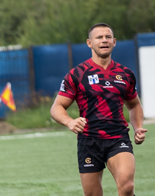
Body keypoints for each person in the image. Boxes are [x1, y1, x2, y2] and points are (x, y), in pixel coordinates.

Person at [51, 23, 146, 196]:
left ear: (114, 42)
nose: (104, 40)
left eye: (108, 37)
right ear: (89, 43)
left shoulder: (125, 74)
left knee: (127, 186)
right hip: (89, 141)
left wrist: (138, 127)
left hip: (118, 137)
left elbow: (134, 105)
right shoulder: (77, 74)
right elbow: (57, 107)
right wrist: (69, 122)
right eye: (99, 37)